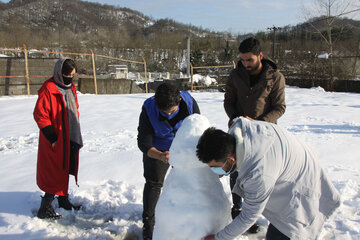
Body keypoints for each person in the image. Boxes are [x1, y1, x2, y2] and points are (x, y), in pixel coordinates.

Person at [196, 117, 341, 240]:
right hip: (294, 169)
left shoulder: (258, 174)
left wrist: (218, 238)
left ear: (231, 160)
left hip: (299, 194)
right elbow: (238, 119)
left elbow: (248, 217)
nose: (217, 173)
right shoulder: (243, 131)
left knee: (287, 232)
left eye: (217, 167)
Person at [224, 37, 286, 232]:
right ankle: (238, 210)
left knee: (264, 174)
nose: (245, 63)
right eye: (242, 60)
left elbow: (279, 107)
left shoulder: (275, 77)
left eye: (249, 59)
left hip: (266, 135)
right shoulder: (235, 75)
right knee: (236, 170)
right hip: (238, 131)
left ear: (260, 56)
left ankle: (268, 213)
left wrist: (258, 123)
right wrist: (235, 118)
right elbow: (228, 101)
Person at [137, 82, 200, 240]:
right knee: (153, 184)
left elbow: (199, 128)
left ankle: (186, 220)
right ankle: (148, 225)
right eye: (163, 112)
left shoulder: (189, 102)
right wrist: (159, 155)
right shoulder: (149, 108)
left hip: (185, 146)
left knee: (189, 183)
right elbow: (143, 143)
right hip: (158, 149)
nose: (167, 115)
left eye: (171, 111)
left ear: (179, 100)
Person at [33, 58, 83, 219]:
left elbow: (74, 108)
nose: (70, 77)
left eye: (72, 75)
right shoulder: (48, 89)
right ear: (59, 73)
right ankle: (44, 208)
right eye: (67, 74)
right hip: (55, 139)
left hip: (70, 135)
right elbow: (40, 114)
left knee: (66, 166)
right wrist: (52, 137)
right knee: (54, 171)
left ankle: (63, 200)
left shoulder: (71, 88)